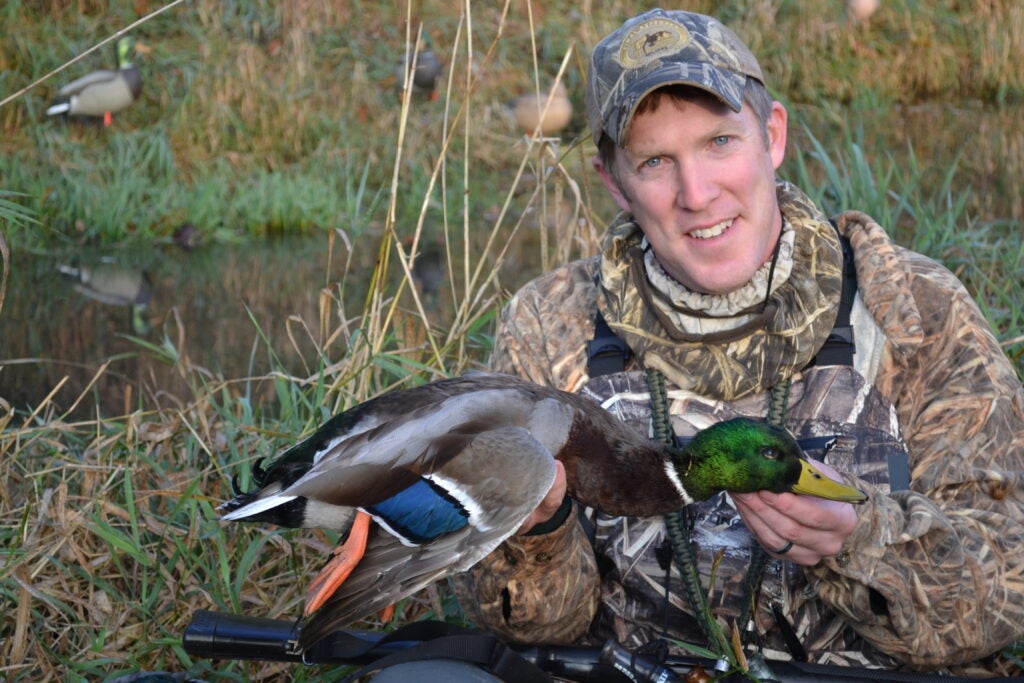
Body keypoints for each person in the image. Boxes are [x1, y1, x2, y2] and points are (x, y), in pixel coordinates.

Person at [451, 7, 1024, 679]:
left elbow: (1004, 594)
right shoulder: (551, 328)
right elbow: (530, 622)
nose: (697, 193)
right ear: (613, 181)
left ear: (772, 135)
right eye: (656, 160)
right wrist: (537, 531)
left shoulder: (914, 309)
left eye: (720, 142)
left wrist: (860, 537)